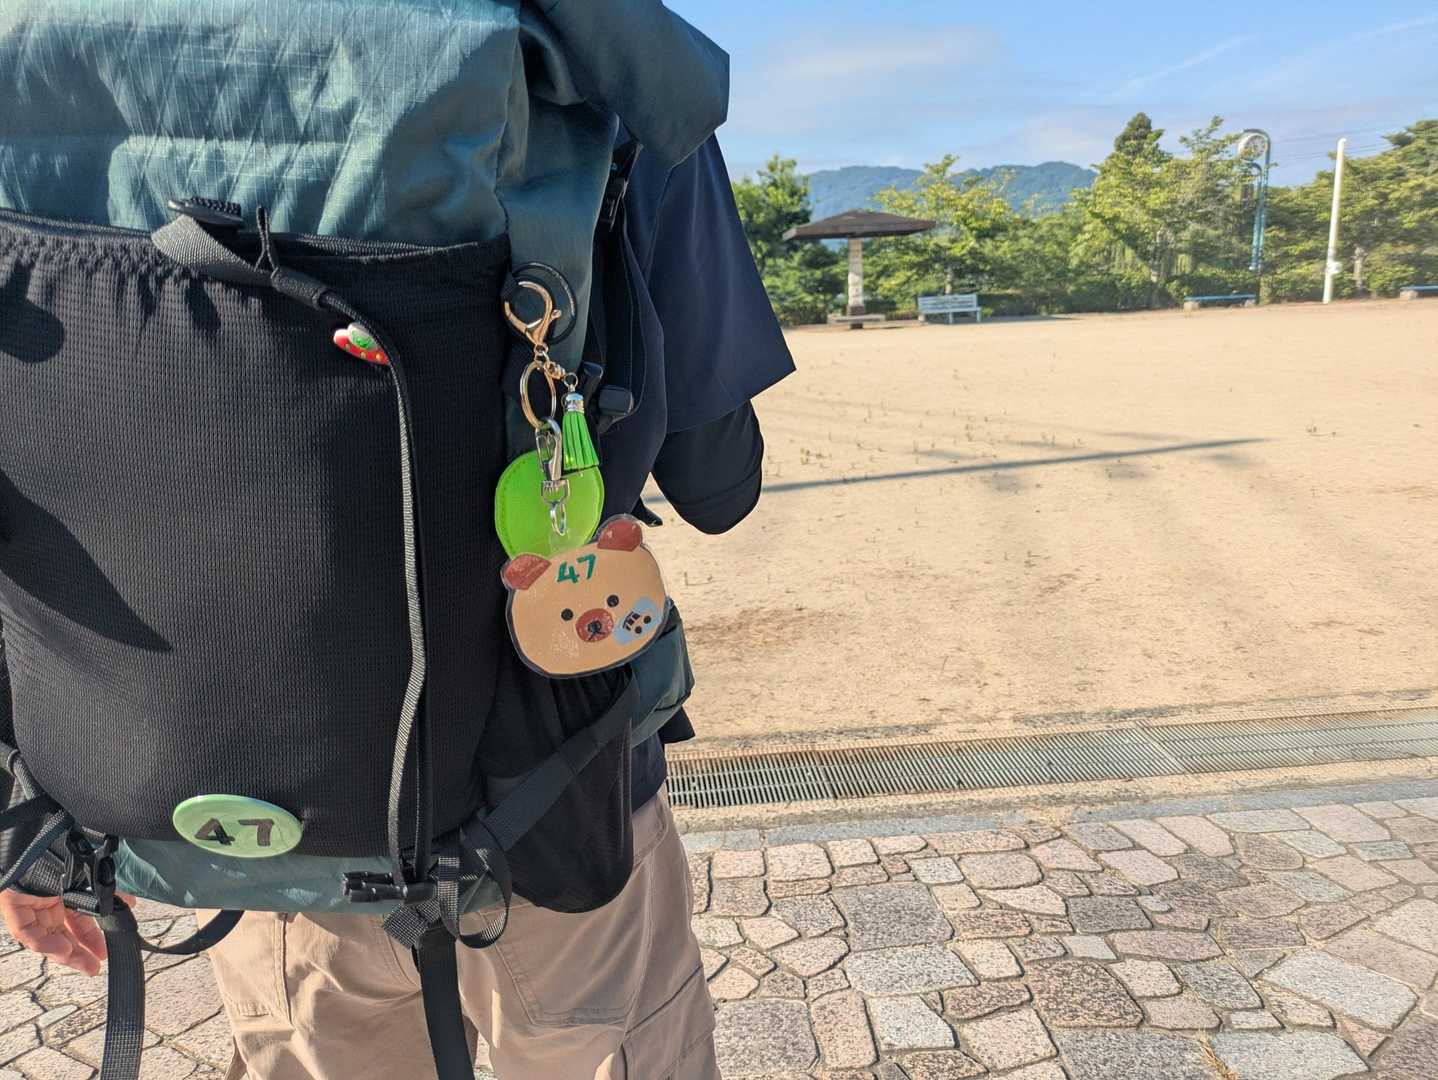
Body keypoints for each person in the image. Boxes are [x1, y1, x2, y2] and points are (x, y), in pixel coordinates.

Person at [0, 123, 792, 1080]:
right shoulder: (612, 75)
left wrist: (23, 824)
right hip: (553, 809)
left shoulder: (53, 89)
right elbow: (719, 484)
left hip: (256, 833)